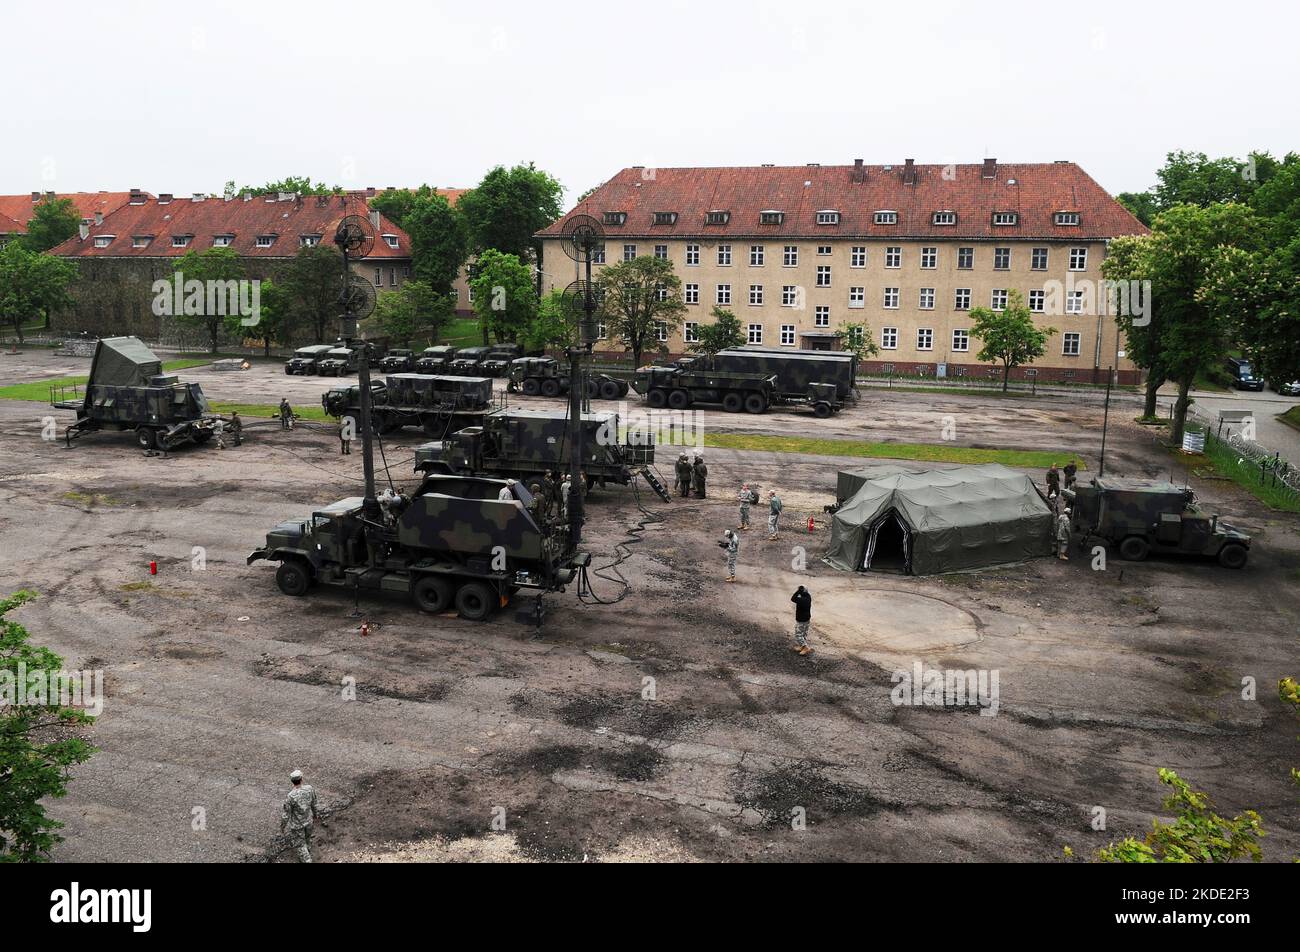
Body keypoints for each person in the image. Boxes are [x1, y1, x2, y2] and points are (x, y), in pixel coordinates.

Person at [280, 769, 324, 863]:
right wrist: (316, 815)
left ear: (292, 781)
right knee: (307, 839)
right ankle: (307, 851)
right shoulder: (309, 789)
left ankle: (306, 859)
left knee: (300, 844)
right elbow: (314, 804)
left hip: (297, 825)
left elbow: (286, 814)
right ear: (301, 779)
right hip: (308, 821)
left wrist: (282, 827)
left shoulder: (290, 796)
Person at [790, 585, 813, 656]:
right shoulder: (808, 596)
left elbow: (793, 599)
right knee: (804, 633)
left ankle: (805, 647)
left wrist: (798, 591)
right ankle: (802, 646)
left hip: (801, 619)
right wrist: (801, 591)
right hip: (807, 619)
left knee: (798, 634)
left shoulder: (801, 600)